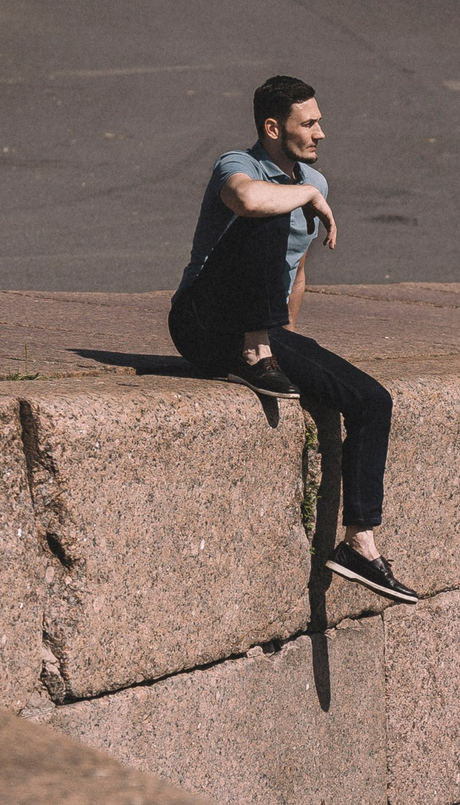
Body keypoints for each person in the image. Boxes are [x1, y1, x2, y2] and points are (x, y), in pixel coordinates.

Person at [168, 75, 416, 605]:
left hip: (264, 327)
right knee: (267, 211)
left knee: (373, 399)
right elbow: (248, 201)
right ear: (274, 127)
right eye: (309, 123)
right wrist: (301, 192)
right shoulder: (237, 165)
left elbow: (295, 276)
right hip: (203, 323)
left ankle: (360, 543)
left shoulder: (313, 184)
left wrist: (291, 350)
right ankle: (254, 354)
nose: (321, 133)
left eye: (320, 121)